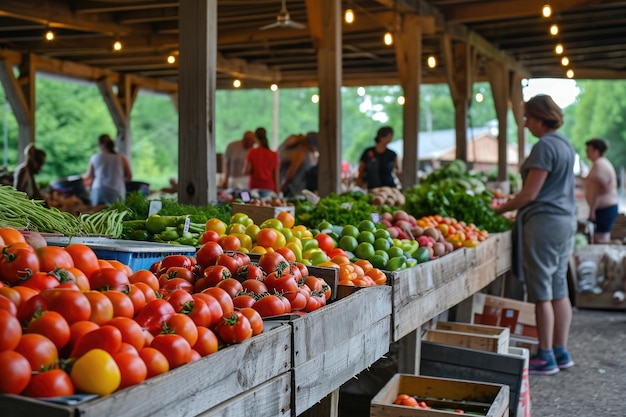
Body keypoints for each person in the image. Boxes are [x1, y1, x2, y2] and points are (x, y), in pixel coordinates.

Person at [494, 94, 576, 376]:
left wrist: (500, 208)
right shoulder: (566, 144)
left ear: (540, 118)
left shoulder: (544, 146)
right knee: (558, 288)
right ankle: (561, 351)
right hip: (566, 222)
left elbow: (530, 194)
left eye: (528, 117)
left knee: (541, 291)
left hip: (544, 223)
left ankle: (545, 355)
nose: (526, 123)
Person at [584, 138, 619, 243]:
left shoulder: (600, 165)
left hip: (604, 208)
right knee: (598, 238)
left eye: (588, 150)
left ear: (596, 151)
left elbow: (601, 189)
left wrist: (592, 210)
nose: (586, 152)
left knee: (601, 239)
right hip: (603, 209)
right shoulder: (599, 164)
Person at [83, 134, 132, 206]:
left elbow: (89, 176)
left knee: (97, 216)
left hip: (97, 191)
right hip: (116, 191)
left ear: (100, 145)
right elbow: (129, 177)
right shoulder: (121, 158)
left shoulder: (95, 157)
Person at [243, 127, 279, 196]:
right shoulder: (273, 154)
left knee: (253, 204)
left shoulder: (252, 152)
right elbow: (276, 176)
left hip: (254, 188)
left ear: (255, 137)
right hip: (269, 188)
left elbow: (246, 171)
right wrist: (277, 191)